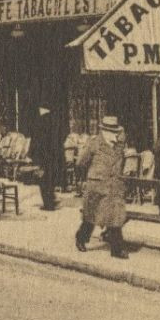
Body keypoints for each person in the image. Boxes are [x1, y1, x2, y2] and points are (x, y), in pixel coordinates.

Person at [75, 115, 130, 258]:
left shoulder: (119, 145)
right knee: (91, 217)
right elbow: (81, 162)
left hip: (114, 185)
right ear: (104, 131)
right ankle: (81, 238)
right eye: (112, 131)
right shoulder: (95, 143)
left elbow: (123, 138)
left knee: (114, 217)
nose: (115, 134)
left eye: (116, 131)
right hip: (97, 185)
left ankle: (116, 250)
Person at [30, 104, 64, 211]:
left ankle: (48, 204)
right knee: (49, 179)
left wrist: (33, 155)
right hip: (52, 156)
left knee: (43, 181)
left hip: (43, 156)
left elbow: (37, 141)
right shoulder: (53, 123)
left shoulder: (41, 123)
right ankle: (51, 202)